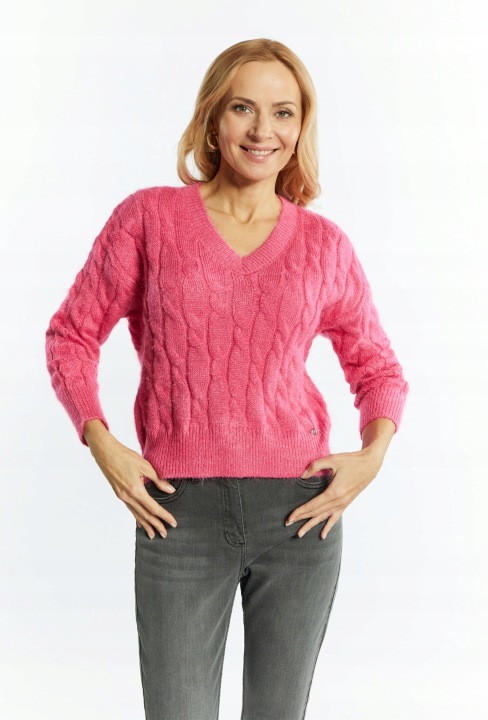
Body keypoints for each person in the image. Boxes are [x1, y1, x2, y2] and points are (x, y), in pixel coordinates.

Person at [45, 38, 409, 720]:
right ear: (213, 119)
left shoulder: (323, 244)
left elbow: (378, 367)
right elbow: (71, 335)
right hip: (177, 512)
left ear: (301, 127)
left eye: (283, 112)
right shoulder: (148, 219)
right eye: (243, 108)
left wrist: (373, 455)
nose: (262, 129)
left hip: (300, 515)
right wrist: (102, 443)